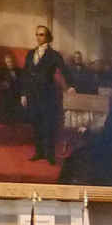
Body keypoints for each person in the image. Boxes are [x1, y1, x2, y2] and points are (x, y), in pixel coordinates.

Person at [24, 25, 67, 164]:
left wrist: (72, 86)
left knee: (48, 124)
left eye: (41, 34)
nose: (38, 37)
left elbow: (65, 70)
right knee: (36, 123)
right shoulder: (31, 53)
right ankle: (39, 152)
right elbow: (25, 75)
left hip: (47, 94)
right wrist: (23, 94)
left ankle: (49, 155)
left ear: (48, 37)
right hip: (32, 94)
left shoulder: (54, 55)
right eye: (37, 34)